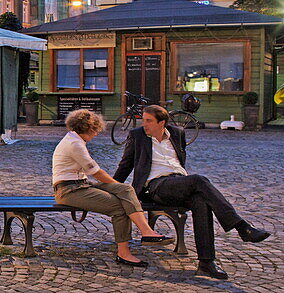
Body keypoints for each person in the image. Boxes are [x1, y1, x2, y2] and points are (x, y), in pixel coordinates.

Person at [114, 104, 271, 280]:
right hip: (155, 185)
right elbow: (125, 165)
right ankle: (242, 227)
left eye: (149, 121)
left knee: (201, 201)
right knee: (199, 180)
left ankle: (206, 263)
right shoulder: (137, 136)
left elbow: (180, 162)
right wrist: (112, 187)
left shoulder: (177, 133)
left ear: (162, 123)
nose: (145, 125)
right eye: (144, 120)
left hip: (179, 182)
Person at [52, 109, 169, 268]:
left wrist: (119, 187)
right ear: (88, 128)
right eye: (95, 130)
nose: (96, 134)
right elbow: (97, 172)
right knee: (119, 206)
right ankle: (124, 253)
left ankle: (147, 232)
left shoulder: (75, 139)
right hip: (69, 190)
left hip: (81, 185)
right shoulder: (74, 144)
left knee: (126, 190)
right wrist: (115, 185)